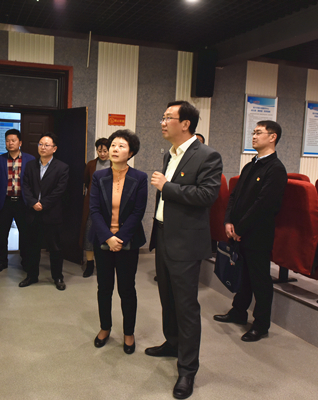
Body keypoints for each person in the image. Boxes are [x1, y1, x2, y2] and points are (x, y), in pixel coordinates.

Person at [148, 100, 222, 399]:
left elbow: (207, 195)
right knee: (167, 297)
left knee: (186, 306)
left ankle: (188, 370)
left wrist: (166, 187)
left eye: (168, 117)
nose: (163, 122)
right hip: (164, 235)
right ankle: (172, 343)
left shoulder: (207, 155)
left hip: (186, 242)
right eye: (163, 117)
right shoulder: (171, 153)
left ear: (185, 124)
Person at [214, 120, 287, 342]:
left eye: (259, 132)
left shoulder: (275, 169)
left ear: (272, 137)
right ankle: (238, 311)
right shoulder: (250, 165)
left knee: (259, 280)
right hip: (239, 231)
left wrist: (241, 228)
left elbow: (263, 205)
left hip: (258, 234)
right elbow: (235, 196)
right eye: (253, 132)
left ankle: (261, 324)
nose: (253, 136)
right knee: (243, 275)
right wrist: (229, 221)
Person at [89, 130, 147, 355]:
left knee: (127, 289)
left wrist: (119, 238)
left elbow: (138, 212)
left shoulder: (139, 178)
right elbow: (94, 210)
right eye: (113, 145)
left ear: (130, 153)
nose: (115, 149)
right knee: (104, 288)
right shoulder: (99, 176)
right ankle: (105, 327)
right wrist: (108, 237)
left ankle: (128, 332)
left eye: (121, 146)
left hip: (127, 242)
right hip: (103, 240)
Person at [20, 133, 69, 290]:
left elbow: (59, 190)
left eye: (46, 145)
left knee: (55, 248)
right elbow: (25, 186)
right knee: (32, 247)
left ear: (54, 148)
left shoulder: (62, 167)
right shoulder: (30, 165)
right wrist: (33, 202)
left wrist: (43, 204)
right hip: (33, 213)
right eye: (40, 144)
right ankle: (32, 276)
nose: (42, 147)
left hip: (51, 214)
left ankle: (58, 277)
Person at [0, 129, 35, 273]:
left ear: (20, 142)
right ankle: (1, 261)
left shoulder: (30, 159)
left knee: (25, 234)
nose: (10, 143)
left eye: (13, 140)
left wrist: (33, 201)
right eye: (7, 140)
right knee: (2, 234)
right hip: (6, 202)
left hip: (23, 202)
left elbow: (34, 183)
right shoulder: (0, 159)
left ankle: (25, 261)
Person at [80, 138, 111, 278]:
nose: (102, 154)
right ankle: (90, 264)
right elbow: (87, 181)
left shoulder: (114, 163)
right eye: (99, 151)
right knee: (89, 233)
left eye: (105, 151)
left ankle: (103, 263)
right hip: (92, 204)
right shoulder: (91, 164)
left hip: (109, 205)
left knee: (105, 233)